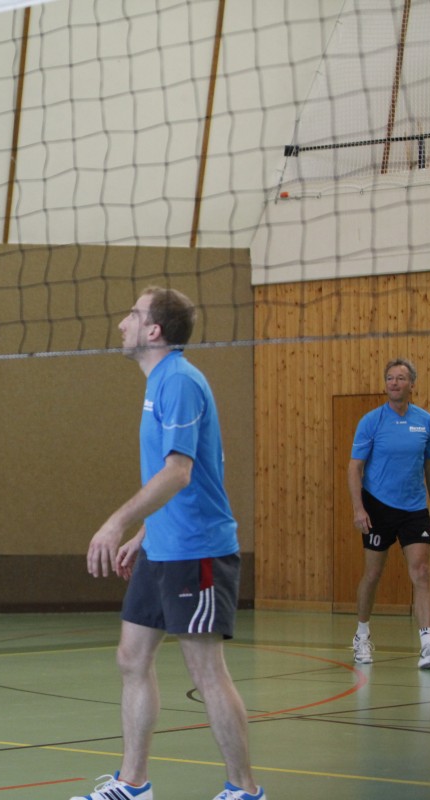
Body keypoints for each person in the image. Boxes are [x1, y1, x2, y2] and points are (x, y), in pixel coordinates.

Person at [74, 287, 265, 800]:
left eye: (133, 315)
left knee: (206, 670)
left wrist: (116, 523)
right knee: (131, 657)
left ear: (154, 330)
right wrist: (145, 534)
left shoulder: (178, 380)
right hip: (163, 547)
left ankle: (244, 790)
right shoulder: (159, 381)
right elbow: (180, 475)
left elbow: (179, 472)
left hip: (197, 550)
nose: (123, 323)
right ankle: (132, 784)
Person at [347, 358, 430, 669]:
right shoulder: (371, 421)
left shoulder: (425, 421)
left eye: (400, 378)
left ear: (412, 384)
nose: (394, 383)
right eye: (390, 378)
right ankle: (361, 635)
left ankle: (426, 642)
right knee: (373, 574)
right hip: (378, 507)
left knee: (422, 571)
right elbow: (355, 468)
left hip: (414, 508)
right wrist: (359, 508)